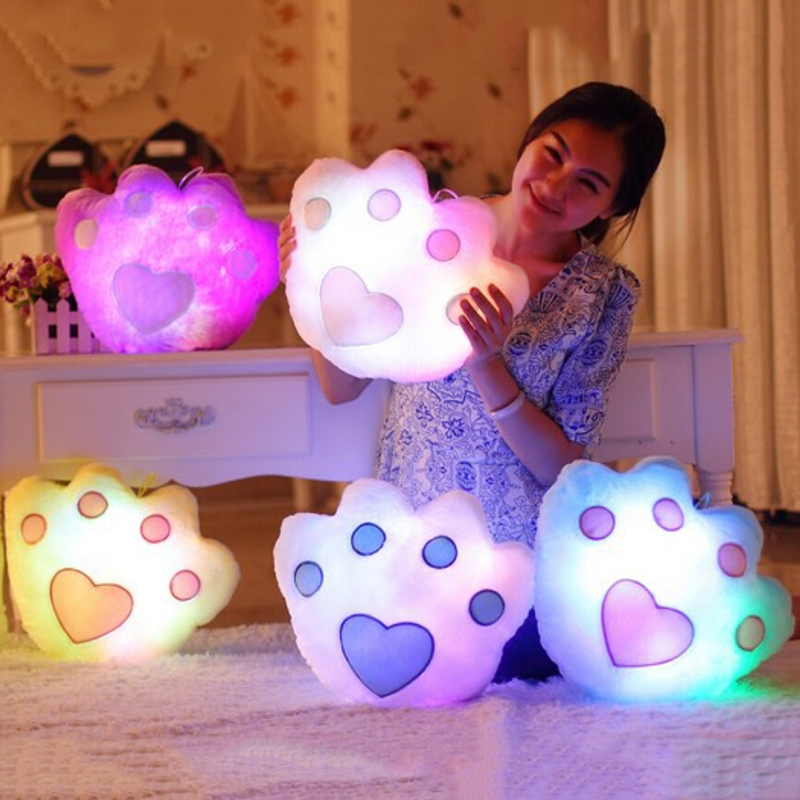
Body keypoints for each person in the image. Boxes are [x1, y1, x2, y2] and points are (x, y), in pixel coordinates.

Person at [278, 82, 667, 681]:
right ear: (529, 141)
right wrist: (311, 279)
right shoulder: (428, 230)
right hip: (407, 546)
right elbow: (341, 388)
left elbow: (562, 465)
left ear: (613, 207)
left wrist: (488, 366)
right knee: (393, 664)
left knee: (503, 670)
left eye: (588, 183)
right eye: (553, 153)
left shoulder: (602, 295)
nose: (554, 185)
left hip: (518, 564)